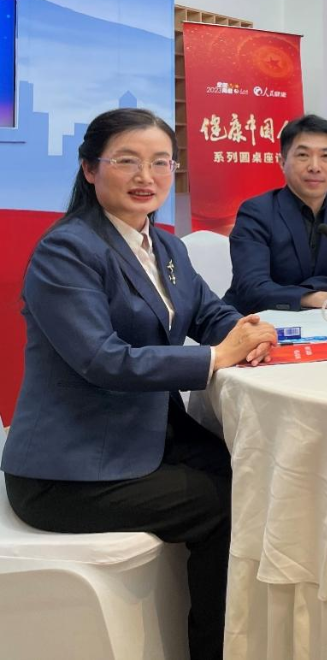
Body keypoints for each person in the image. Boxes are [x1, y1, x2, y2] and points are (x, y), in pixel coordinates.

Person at [1, 107, 278, 660]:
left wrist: (246, 332)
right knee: (223, 501)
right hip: (69, 470)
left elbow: (208, 312)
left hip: (145, 437)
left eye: (160, 162)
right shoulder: (67, 250)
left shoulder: (166, 246)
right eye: (126, 161)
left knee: (258, 467)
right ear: (89, 169)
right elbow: (102, 360)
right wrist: (215, 357)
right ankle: (214, 649)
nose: (145, 177)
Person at [223, 114, 327, 314]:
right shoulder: (257, 212)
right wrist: (315, 298)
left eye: (326, 156)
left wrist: (305, 291)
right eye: (303, 155)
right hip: (258, 322)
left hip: (322, 320)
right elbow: (252, 288)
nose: (315, 167)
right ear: (282, 162)